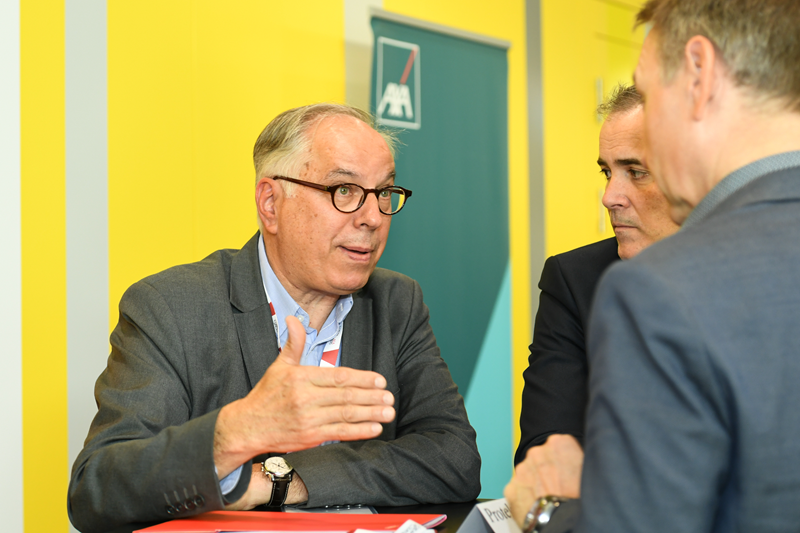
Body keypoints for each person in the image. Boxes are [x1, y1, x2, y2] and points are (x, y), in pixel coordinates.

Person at [68, 104, 480, 533]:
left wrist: (278, 481)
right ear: (270, 203)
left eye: (383, 193)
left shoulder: (396, 302)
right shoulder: (172, 307)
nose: (373, 218)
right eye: (344, 190)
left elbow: (455, 460)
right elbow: (97, 490)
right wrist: (233, 433)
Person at [506, 0, 800, 531]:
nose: (610, 197)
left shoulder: (663, 291)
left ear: (698, 74)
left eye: (651, 91)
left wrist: (546, 513)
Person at [515, 84, 678, 462]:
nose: (609, 197)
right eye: (607, 172)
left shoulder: (764, 273)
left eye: (636, 172)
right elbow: (545, 453)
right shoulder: (576, 280)